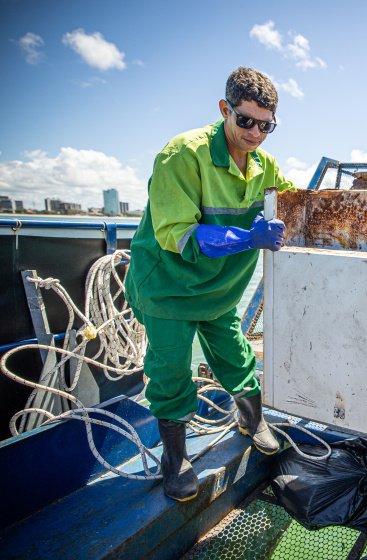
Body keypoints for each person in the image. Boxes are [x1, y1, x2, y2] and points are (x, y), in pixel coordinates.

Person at [125, 67, 294, 502]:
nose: (256, 133)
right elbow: (178, 234)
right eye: (246, 120)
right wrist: (249, 238)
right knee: (170, 369)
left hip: (219, 291)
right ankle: (175, 458)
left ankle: (252, 420)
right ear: (224, 109)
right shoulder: (182, 154)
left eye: (266, 125)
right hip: (168, 287)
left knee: (235, 355)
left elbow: (295, 205)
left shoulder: (265, 166)